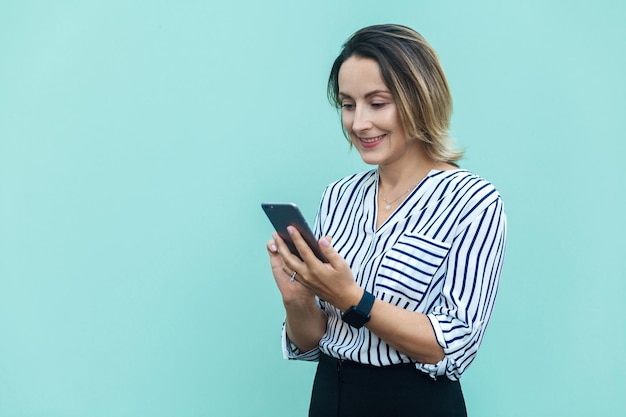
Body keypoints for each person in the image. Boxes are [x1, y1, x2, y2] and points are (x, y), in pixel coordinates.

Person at [266, 24, 506, 417]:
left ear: (420, 99)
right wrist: (297, 297)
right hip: (331, 396)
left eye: (377, 103)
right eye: (347, 104)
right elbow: (312, 340)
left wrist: (353, 299)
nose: (359, 123)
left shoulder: (473, 200)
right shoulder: (338, 196)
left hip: (414, 402)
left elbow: (453, 344)